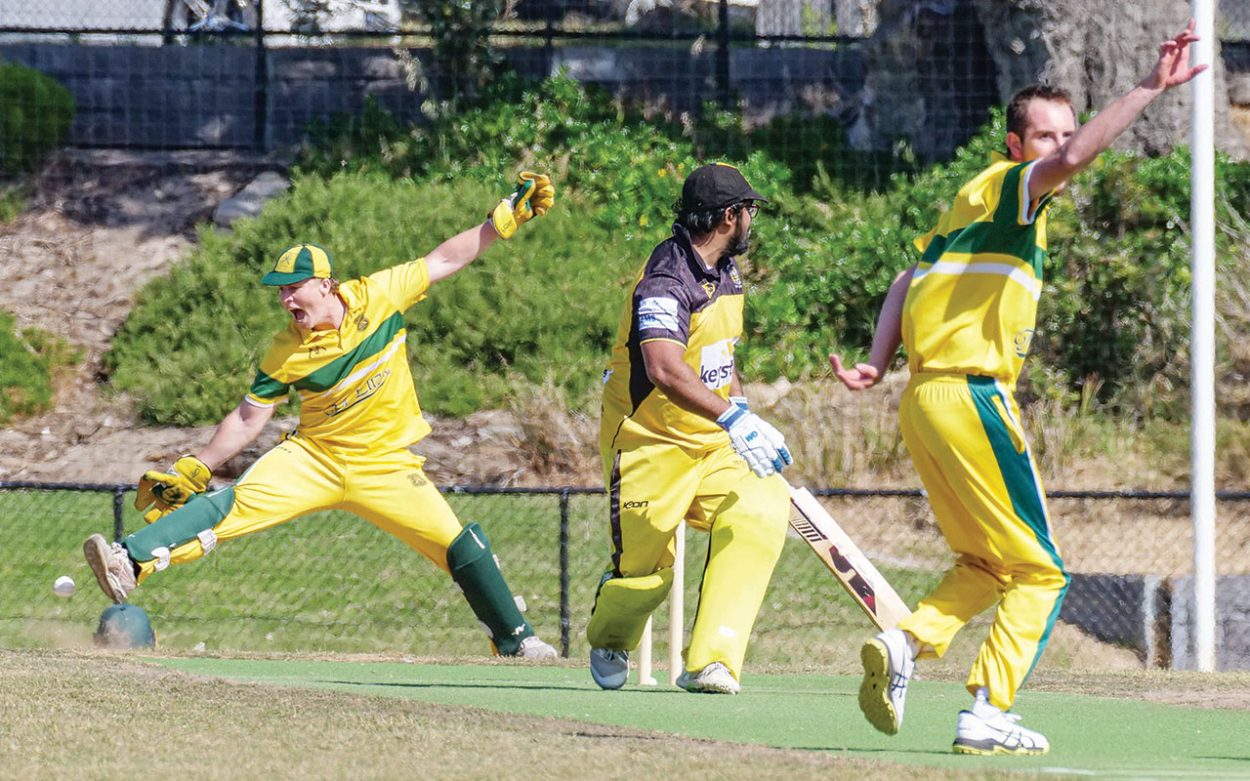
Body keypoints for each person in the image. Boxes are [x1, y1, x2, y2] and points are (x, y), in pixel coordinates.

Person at [830, 22, 1206, 755]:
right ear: (1014, 145)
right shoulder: (1016, 190)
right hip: (971, 399)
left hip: (923, 400)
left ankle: (908, 643)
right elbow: (1073, 157)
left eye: (1062, 131)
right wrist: (1148, 89)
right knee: (1042, 571)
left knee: (987, 563)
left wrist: (879, 362)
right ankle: (988, 707)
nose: (1059, 146)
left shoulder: (969, 201)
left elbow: (907, 281)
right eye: (1043, 136)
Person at [83, 172, 560, 660]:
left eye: (295, 289)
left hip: (385, 466)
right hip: (315, 459)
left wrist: (498, 223)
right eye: (280, 291)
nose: (287, 300)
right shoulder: (286, 350)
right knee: (232, 503)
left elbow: (443, 259)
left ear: (327, 283)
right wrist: (200, 463)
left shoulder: (379, 295)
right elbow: (250, 417)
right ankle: (129, 559)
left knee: (460, 547)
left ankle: (518, 642)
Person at [587, 162, 793, 694]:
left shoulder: (726, 270)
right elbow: (663, 368)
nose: (752, 219)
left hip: (712, 440)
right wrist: (732, 417)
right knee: (644, 575)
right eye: (748, 210)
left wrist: (741, 411)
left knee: (763, 509)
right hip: (649, 442)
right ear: (730, 216)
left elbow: (719, 355)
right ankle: (612, 634)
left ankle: (712, 659)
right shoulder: (667, 278)